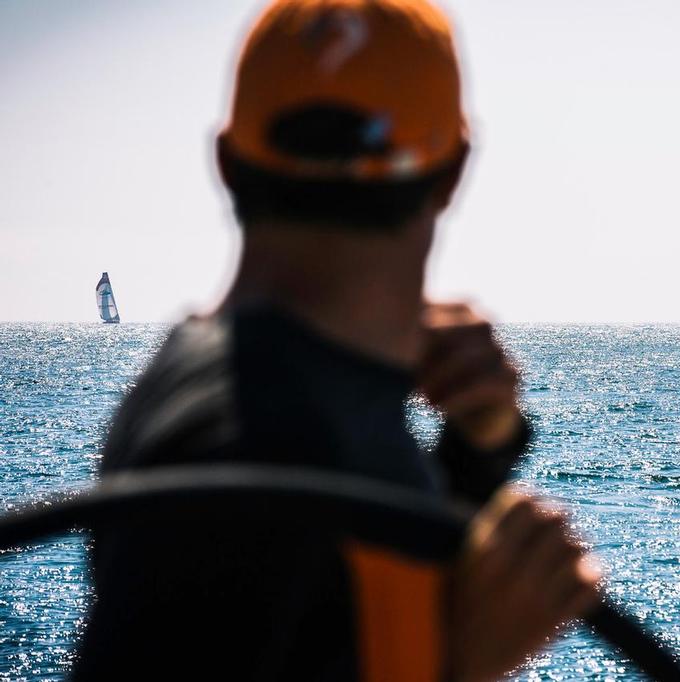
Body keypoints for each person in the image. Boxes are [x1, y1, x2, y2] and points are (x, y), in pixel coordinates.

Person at [72, 0, 601, 680]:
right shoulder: (250, 448)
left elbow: (339, 600)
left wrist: (476, 451)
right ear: (454, 172)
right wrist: (454, 664)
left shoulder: (259, 395)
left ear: (226, 162)